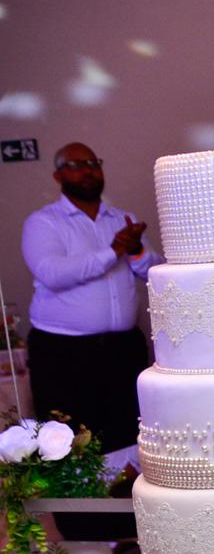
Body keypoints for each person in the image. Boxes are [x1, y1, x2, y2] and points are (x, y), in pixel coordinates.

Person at [21, 143, 161, 451]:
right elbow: (53, 273)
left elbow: (153, 272)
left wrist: (136, 249)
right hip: (63, 353)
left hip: (123, 349)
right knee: (70, 443)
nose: (87, 170)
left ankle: (128, 483)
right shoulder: (43, 222)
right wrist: (113, 251)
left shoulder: (122, 219)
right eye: (76, 165)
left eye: (93, 163)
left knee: (129, 433)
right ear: (58, 175)